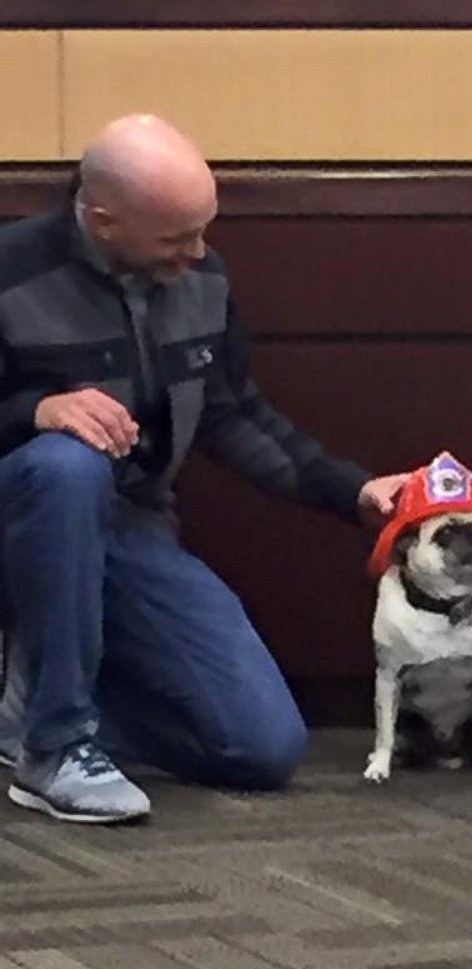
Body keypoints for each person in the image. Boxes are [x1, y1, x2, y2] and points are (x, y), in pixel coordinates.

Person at [0, 113, 408, 824]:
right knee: (68, 466)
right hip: (26, 511)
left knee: (261, 747)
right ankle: (53, 748)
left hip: (128, 527)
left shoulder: (201, 277)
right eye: (175, 237)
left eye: (202, 230)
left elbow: (233, 416)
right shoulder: (12, 271)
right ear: (103, 220)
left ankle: (36, 708)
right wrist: (31, 411)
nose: (197, 252)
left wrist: (354, 491)